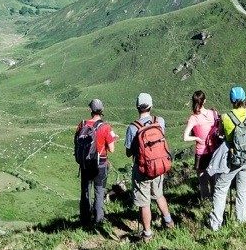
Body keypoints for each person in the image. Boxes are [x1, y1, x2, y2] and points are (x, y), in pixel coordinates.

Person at [209, 86, 246, 230]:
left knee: (220, 189)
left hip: (231, 157)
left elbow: (220, 134)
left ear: (231, 100)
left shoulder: (226, 117)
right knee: (243, 190)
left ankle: (216, 224)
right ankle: (241, 222)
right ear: (244, 99)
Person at [126, 93, 174, 239]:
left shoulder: (133, 127)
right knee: (159, 194)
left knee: (144, 202)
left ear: (137, 107)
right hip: (159, 165)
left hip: (142, 169)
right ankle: (168, 221)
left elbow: (128, 152)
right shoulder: (160, 121)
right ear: (151, 106)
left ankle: (147, 234)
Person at [74, 99, 118, 228]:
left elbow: (76, 142)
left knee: (85, 192)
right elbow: (112, 149)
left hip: (85, 164)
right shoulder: (106, 127)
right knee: (99, 193)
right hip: (100, 165)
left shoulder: (82, 124)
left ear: (90, 110)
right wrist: (112, 139)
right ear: (102, 110)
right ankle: (98, 221)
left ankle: (84, 220)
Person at [182, 90, 219, 204]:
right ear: (205, 101)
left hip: (201, 152)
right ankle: (215, 201)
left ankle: (205, 202)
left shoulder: (194, 118)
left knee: (203, 181)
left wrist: (197, 138)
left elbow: (185, 137)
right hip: (214, 150)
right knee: (213, 179)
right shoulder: (213, 113)